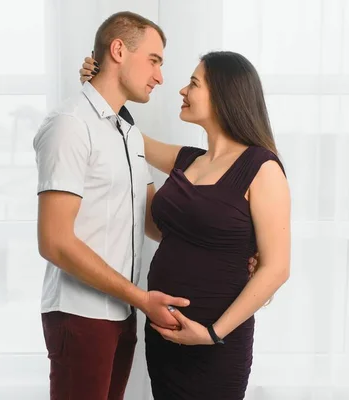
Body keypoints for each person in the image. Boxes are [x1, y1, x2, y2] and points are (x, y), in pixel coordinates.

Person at [34, 11, 258, 400]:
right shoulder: (71, 125)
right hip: (83, 313)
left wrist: (238, 251)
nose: (160, 77)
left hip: (122, 315)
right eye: (154, 60)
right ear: (118, 50)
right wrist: (141, 298)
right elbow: (53, 241)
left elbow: (158, 221)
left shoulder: (127, 135)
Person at [80, 50, 291, 399]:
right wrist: (99, 85)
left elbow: (276, 268)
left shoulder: (261, 167)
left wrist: (211, 333)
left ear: (225, 94)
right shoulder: (188, 159)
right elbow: (130, 137)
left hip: (216, 343)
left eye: (193, 83)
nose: (182, 90)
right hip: (164, 332)